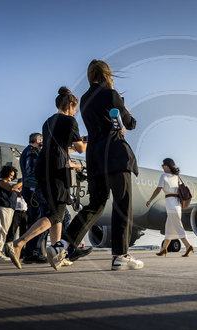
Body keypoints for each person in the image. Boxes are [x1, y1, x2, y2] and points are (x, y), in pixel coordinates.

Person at [47, 59, 143, 271]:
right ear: (108, 74)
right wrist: (123, 109)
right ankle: (121, 255)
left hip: (95, 158)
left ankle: (61, 244)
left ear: (91, 75)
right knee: (122, 203)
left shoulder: (84, 101)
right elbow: (130, 123)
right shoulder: (111, 95)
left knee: (95, 205)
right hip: (116, 155)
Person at [5, 86, 87, 269]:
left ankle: (56, 254)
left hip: (44, 168)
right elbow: (81, 149)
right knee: (55, 214)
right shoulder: (70, 121)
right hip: (57, 170)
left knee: (55, 214)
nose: (75, 112)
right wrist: (86, 142)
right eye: (75, 108)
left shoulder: (47, 122)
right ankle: (19, 243)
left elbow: (59, 147)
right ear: (70, 105)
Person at [146, 158, 194, 257]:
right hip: (177, 205)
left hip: (171, 204)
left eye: (163, 165)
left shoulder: (163, 176)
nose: (162, 167)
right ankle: (164, 249)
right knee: (168, 229)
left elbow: (158, 190)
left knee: (178, 226)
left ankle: (188, 246)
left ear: (167, 166)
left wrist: (150, 200)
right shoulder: (177, 177)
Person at [18, 132, 48, 264]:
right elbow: (31, 172)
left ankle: (31, 252)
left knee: (34, 219)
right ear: (37, 140)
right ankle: (33, 252)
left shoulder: (26, 151)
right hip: (33, 189)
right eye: (42, 139)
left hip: (29, 189)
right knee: (39, 220)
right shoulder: (32, 151)